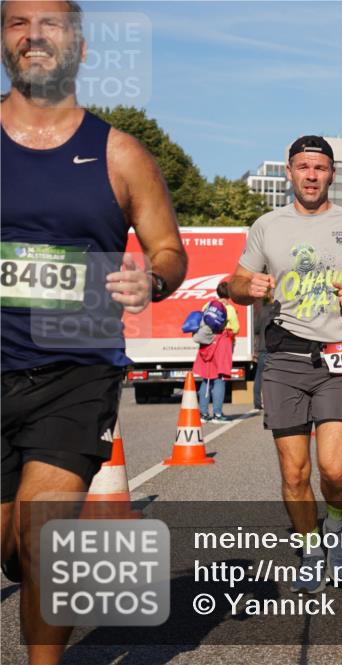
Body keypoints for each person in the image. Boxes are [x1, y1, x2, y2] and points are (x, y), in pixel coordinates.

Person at [1, 1, 187, 660]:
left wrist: (153, 280)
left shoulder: (119, 151)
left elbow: (168, 251)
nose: (33, 34)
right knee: (16, 542)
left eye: (50, 22)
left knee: (44, 533)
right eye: (17, 22)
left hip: (74, 368)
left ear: (79, 46)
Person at [230, 135, 342, 593]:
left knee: (334, 470)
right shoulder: (267, 225)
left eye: (320, 168)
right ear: (289, 172)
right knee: (294, 473)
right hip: (284, 358)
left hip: (339, 354)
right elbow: (236, 281)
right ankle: (312, 547)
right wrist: (249, 289)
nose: (312, 175)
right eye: (303, 167)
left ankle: (338, 530)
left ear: (332, 173)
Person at [194, 282, 239, 423]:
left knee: (206, 378)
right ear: (229, 294)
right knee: (220, 379)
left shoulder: (207, 306)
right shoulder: (229, 309)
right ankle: (218, 415)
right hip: (222, 345)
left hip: (207, 344)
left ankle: (203, 414)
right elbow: (236, 328)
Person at [253, 295, 279, 410]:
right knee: (276, 376)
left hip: (263, 347)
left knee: (259, 376)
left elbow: (256, 329)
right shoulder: (279, 310)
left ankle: (258, 402)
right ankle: (274, 402)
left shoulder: (262, 311)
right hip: (276, 348)